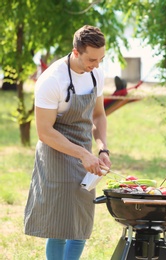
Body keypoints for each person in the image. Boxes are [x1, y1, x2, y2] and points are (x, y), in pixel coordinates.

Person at [24, 25, 111, 260]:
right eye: (92, 59)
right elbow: (44, 132)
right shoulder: (52, 80)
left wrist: (102, 148)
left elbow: (98, 115)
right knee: (60, 225)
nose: (97, 64)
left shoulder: (96, 74)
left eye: (101, 58)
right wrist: (82, 154)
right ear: (75, 52)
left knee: (81, 221)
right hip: (56, 152)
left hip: (86, 152)